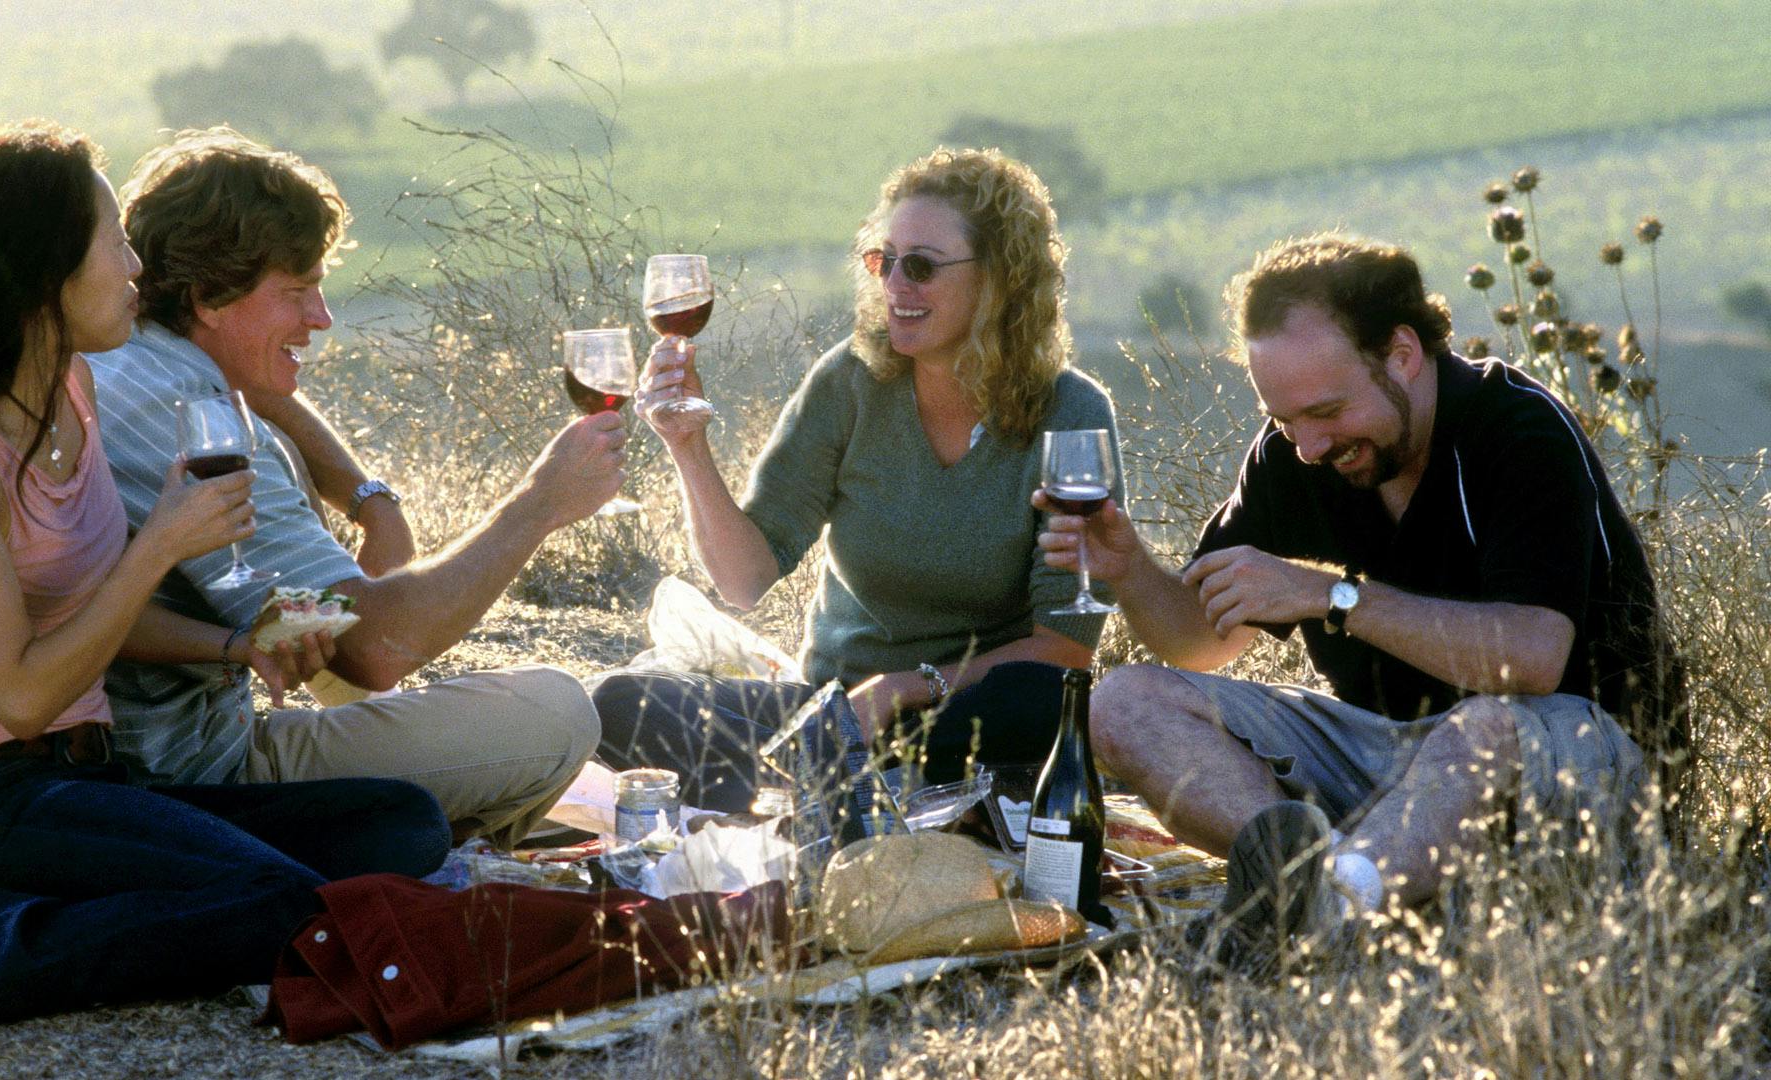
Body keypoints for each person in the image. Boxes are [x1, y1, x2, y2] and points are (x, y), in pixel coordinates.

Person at [0, 122, 450, 1078]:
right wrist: (161, 543)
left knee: (402, 823)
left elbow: (97, 618)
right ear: (47, 273)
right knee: (279, 901)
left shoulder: (73, 390)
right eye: (113, 243)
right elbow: (20, 697)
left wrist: (235, 647)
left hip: (97, 781)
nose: (136, 265)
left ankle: (73, 912)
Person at [1036, 233, 1684, 961]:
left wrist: (1330, 595)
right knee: (1122, 703)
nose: (1309, 445)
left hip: (1564, 751)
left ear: (1402, 355)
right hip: (1388, 765)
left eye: (1326, 411)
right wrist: (1127, 568)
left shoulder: (1519, 429)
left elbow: (1532, 660)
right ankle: (1322, 885)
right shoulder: (1294, 454)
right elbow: (1198, 641)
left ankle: (1328, 909)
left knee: (1482, 728)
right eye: (1286, 420)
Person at [86, 128, 625, 845]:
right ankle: (422, 842)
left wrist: (372, 502)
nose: (322, 317)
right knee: (557, 715)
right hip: (199, 783)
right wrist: (540, 504)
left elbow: (267, 393)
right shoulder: (194, 419)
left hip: (144, 765)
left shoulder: (127, 357)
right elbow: (375, 650)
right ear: (210, 297)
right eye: (297, 292)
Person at [594, 148, 1123, 812]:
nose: (895, 284)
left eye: (921, 266)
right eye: (883, 260)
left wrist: (906, 687)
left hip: (968, 714)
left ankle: (813, 793)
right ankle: (843, 791)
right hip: (830, 713)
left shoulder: (1071, 412)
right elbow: (744, 581)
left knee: (1043, 702)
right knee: (620, 702)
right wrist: (687, 445)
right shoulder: (850, 382)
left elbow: (1066, 648)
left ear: (998, 279)